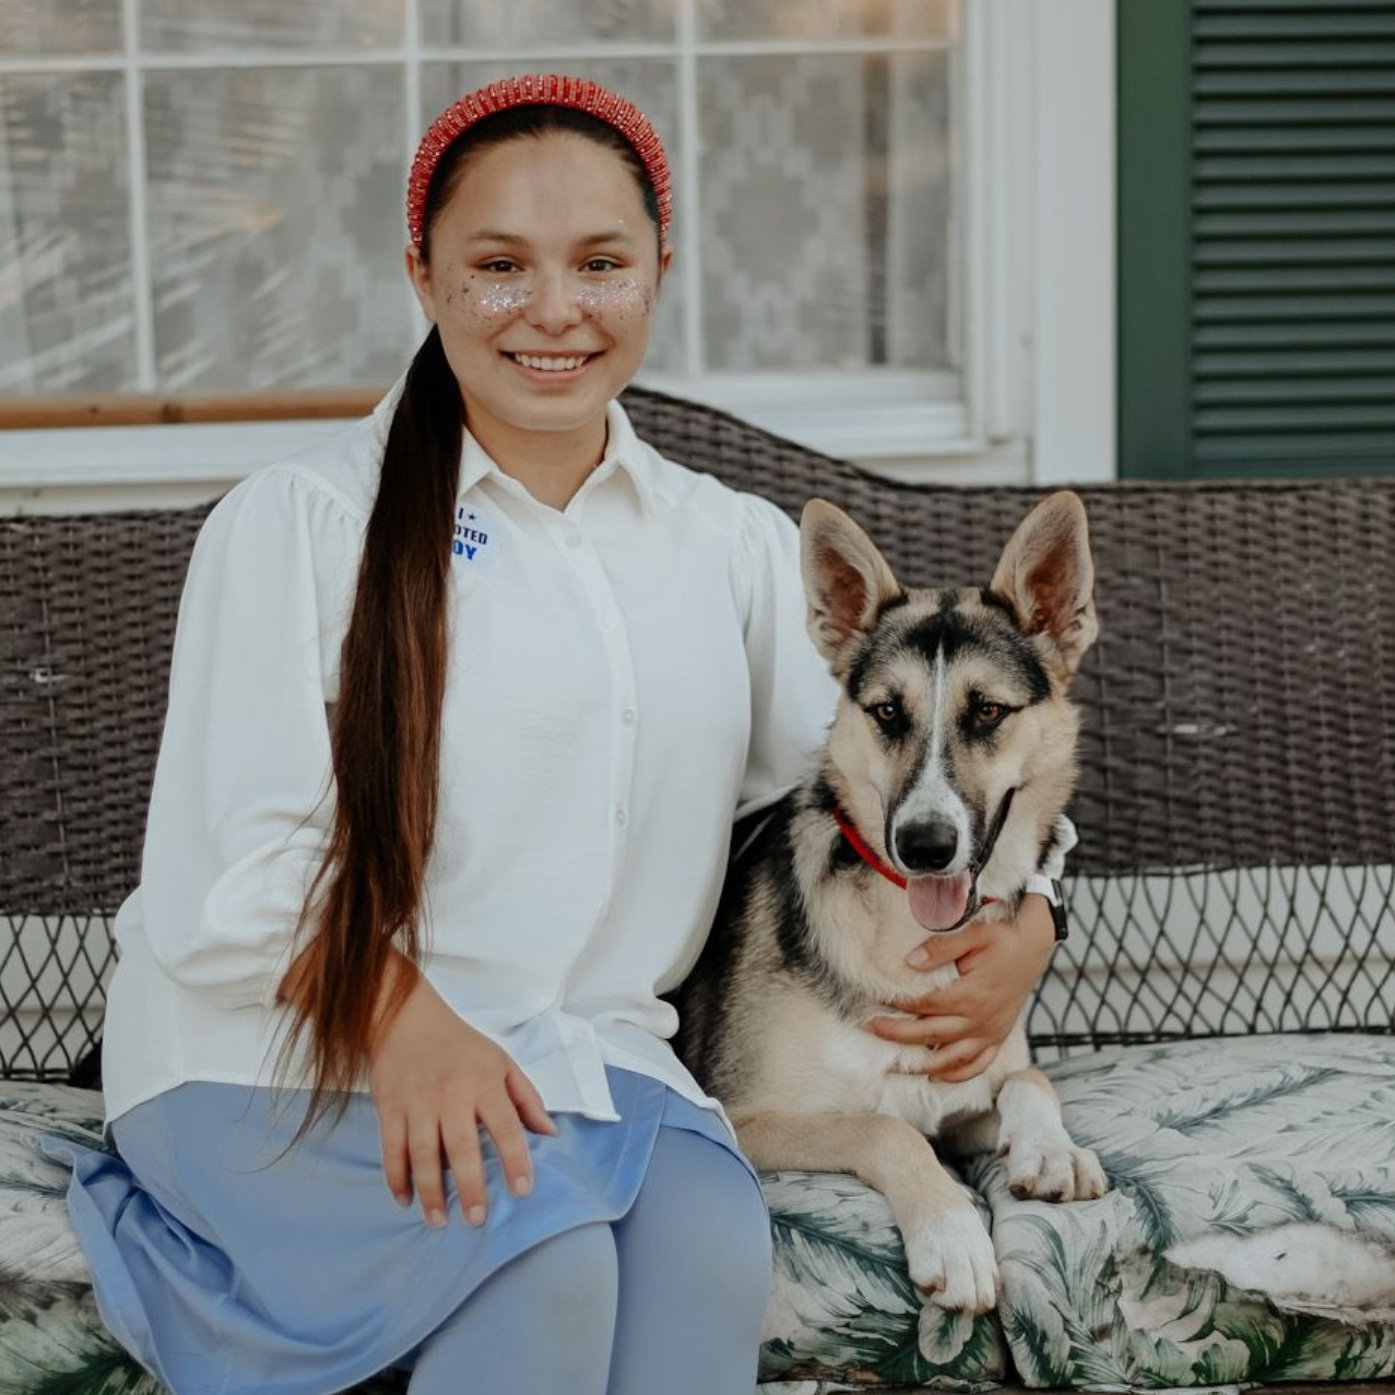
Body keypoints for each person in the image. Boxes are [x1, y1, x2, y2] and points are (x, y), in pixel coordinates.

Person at [49, 74, 1063, 1395]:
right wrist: (407, 1027)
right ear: (420, 275)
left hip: (587, 1053)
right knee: (544, 1259)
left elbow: (904, 759)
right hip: (278, 1049)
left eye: (599, 263)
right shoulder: (295, 527)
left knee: (708, 1252)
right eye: (496, 266)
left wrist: (1021, 916)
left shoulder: (728, 547)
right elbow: (232, 880)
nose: (552, 309)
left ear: (659, 272)